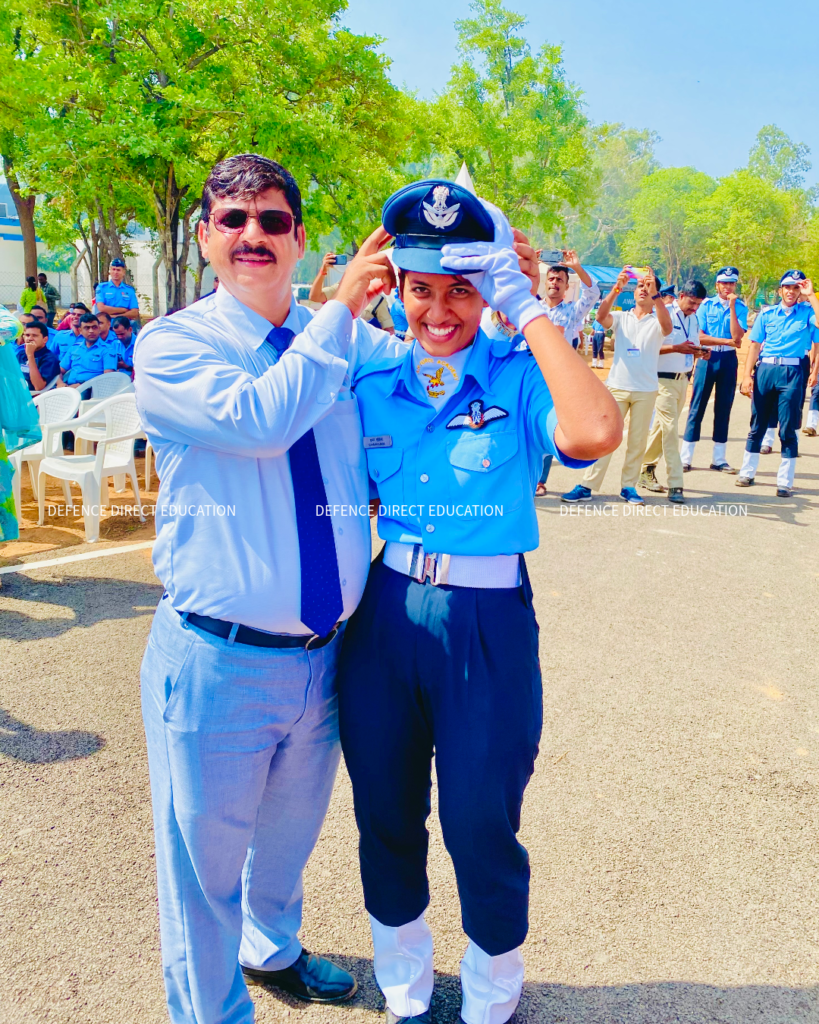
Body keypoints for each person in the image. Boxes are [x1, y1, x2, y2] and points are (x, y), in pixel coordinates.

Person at [336, 181, 621, 1024]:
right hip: (386, 616)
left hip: (485, 622)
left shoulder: (522, 371)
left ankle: (493, 982)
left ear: (490, 284)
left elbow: (594, 435)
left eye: (462, 287)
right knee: (385, 809)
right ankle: (404, 977)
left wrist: (525, 306)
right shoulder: (372, 369)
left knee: (477, 815)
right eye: (421, 288)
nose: (438, 311)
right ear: (398, 287)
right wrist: (345, 299)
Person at [134, 153, 409, 1024]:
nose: (253, 234)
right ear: (207, 237)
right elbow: (261, 421)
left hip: (324, 657)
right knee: (201, 870)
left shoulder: (347, 340)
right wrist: (339, 312)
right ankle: (213, 1014)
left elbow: (434, 380)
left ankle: (272, 948)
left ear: (299, 237)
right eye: (232, 219)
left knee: (286, 842)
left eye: (272, 220)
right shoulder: (173, 345)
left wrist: (482, 281)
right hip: (219, 659)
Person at [563, 267, 672, 506]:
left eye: (648, 286)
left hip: (645, 389)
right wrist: (616, 288)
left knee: (637, 440)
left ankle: (628, 487)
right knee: (604, 437)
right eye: (640, 286)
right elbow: (601, 318)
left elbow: (668, 328)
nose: (643, 290)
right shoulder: (622, 317)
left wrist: (656, 296)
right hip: (617, 386)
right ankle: (587, 485)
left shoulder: (657, 320)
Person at [736, 271, 819, 497]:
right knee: (758, 423)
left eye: (796, 288)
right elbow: (754, 345)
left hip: (793, 371)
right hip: (766, 370)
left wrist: (811, 296)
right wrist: (746, 376)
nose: (791, 292)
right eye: (787, 287)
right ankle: (747, 472)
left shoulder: (808, 313)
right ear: (780, 290)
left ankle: (784, 481)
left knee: (788, 426)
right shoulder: (767, 313)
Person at [535, 252, 600, 494]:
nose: (554, 283)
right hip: (528, 373)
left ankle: (540, 480)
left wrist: (577, 267)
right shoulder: (531, 307)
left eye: (559, 280)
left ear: (566, 286)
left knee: (546, 425)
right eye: (551, 279)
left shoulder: (573, 312)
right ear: (546, 282)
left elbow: (593, 294)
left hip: (557, 378)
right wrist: (531, 260)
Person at [639, 280, 708, 503]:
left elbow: (692, 345)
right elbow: (645, 348)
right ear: (680, 296)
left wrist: (700, 352)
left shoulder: (693, 318)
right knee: (670, 430)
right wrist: (676, 348)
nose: (694, 307)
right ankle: (676, 483)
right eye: (691, 302)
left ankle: (645, 469)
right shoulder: (663, 313)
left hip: (682, 381)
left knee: (661, 429)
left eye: (698, 304)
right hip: (662, 381)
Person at [680, 266, 747, 473]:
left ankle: (719, 458)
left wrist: (733, 307)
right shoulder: (706, 306)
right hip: (706, 357)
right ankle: (685, 457)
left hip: (728, 360)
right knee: (696, 406)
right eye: (724, 283)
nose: (728, 287)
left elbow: (739, 337)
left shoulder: (740, 307)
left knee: (723, 408)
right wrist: (727, 341)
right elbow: (698, 336)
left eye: (731, 283)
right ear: (717, 285)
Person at [311, 252, 396, 333]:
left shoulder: (377, 300)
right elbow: (315, 296)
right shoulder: (341, 289)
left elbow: (389, 330)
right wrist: (323, 270)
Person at [57, 313, 118, 386]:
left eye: (94, 327)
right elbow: (59, 370)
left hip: (92, 391)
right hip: (69, 387)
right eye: (87, 328)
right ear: (80, 331)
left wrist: (81, 385)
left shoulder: (107, 350)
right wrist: (60, 383)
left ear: (98, 329)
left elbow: (108, 379)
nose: (91, 331)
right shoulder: (74, 348)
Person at [15, 321, 60, 391]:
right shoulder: (21, 354)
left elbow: (39, 387)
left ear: (45, 340)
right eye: (27, 335)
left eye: (35, 335)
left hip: (35, 397)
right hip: (17, 392)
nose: (30, 338)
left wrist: (30, 356)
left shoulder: (50, 358)